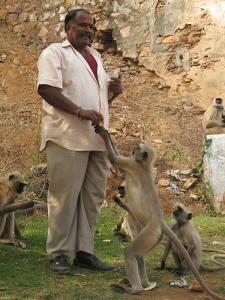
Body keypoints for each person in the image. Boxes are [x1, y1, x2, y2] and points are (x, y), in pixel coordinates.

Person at [37, 8, 122, 274]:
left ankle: (85, 252)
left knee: (92, 197)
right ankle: (60, 254)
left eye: (92, 27)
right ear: (68, 28)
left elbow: (97, 101)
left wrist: (113, 93)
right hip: (66, 136)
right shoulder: (55, 53)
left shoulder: (95, 56)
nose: (89, 30)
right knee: (64, 198)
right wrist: (79, 111)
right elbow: (47, 89)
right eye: (83, 25)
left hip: (96, 139)